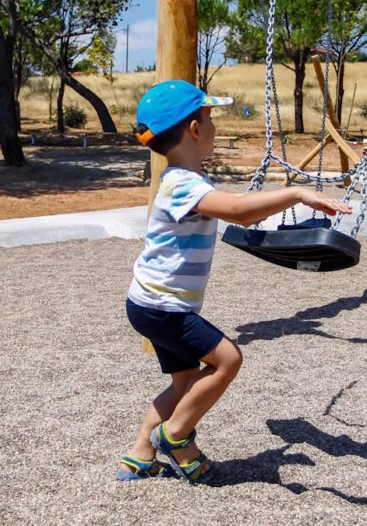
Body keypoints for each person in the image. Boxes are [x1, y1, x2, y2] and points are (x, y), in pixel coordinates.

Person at [117, 80, 352, 482]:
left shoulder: (186, 181)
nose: (214, 126)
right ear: (193, 130)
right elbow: (241, 212)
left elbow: (240, 210)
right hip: (163, 307)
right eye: (209, 118)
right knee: (229, 359)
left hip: (152, 304)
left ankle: (141, 451)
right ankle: (175, 436)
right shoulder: (181, 184)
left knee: (186, 380)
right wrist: (297, 194)